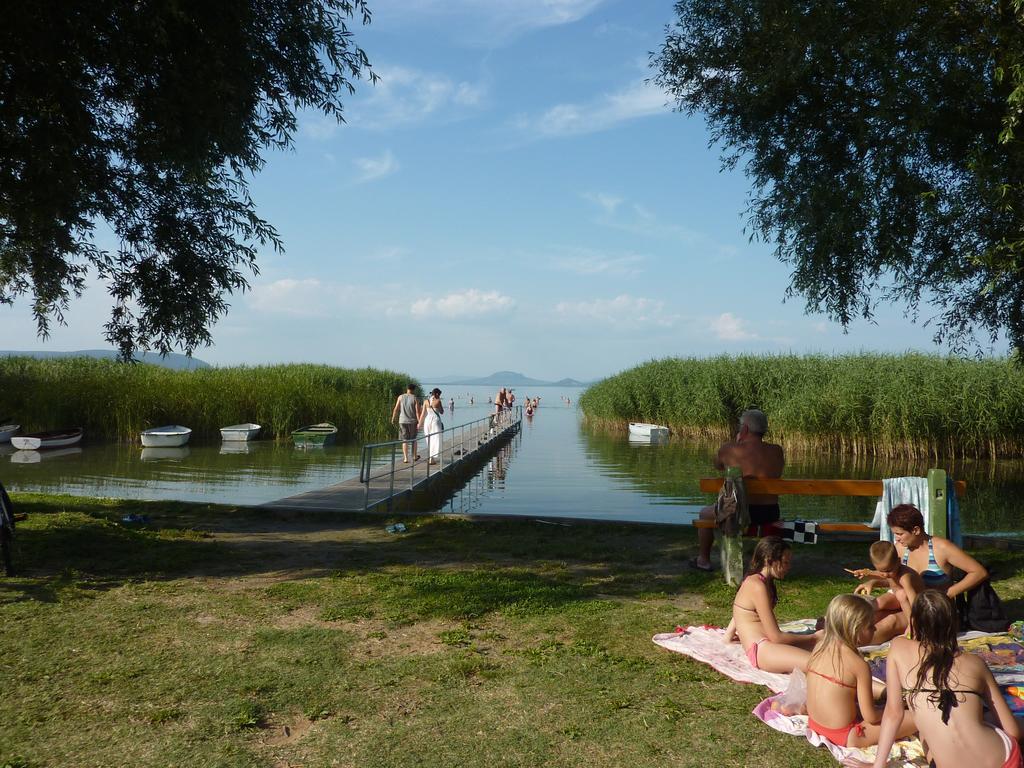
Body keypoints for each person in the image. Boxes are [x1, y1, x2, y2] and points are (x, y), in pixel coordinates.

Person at [843, 591, 1021, 768]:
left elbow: (893, 713)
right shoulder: (976, 663)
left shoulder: (898, 648)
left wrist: (878, 765)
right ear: (953, 624)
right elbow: (1012, 731)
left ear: (913, 623)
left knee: (926, 735)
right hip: (1003, 759)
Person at [806, 594, 917, 748]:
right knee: (918, 716)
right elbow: (871, 717)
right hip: (846, 735)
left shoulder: (819, 647)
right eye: (871, 626)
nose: (875, 628)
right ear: (856, 629)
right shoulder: (858, 665)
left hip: (814, 723)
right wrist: (895, 708)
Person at [693, 409, 785, 571]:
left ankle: (703, 560)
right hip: (770, 513)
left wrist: (737, 442)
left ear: (744, 429)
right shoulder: (777, 451)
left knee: (704, 514)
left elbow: (718, 465)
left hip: (738, 514)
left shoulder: (729, 450)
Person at [728, 537, 818, 673]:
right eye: (785, 562)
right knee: (821, 665)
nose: (789, 567)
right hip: (762, 649)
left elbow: (740, 608)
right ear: (770, 559)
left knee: (828, 649)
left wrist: (728, 636)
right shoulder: (757, 586)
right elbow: (777, 637)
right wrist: (813, 638)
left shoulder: (763, 582)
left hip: (767, 645)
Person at [887, 504, 987, 600]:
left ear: (916, 530)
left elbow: (979, 572)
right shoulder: (900, 549)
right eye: (894, 534)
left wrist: (948, 594)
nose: (897, 539)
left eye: (900, 534)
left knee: (891, 618)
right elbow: (890, 578)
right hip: (910, 606)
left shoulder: (942, 548)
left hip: (938, 611)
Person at [846, 540, 925, 643]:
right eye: (881, 571)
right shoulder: (891, 570)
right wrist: (871, 581)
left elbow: (915, 601)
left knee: (901, 595)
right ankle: (849, 621)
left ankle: (912, 626)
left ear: (898, 561)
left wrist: (914, 623)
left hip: (915, 606)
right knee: (877, 603)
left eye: (888, 571)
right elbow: (889, 581)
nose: (885, 575)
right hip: (899, 600)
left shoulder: (905, 577)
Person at [390, 383, 421, 463]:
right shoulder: (415, 398)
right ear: (413, 389)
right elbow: (417, 412)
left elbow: (396, 409)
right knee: (414, 439)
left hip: (402, 421)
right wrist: (420, 422)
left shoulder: (400, 397)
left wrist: (393, 418)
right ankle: (414, 456)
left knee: (405, 440)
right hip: (413, 421)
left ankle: (406, 458)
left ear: (407, 388)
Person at [418, 387, 445, 465]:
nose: (439, 396)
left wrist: (419, 423)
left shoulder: (426, 401)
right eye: (439, 394)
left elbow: (423, 414)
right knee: (435, 439)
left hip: (427, 421)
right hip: (435, 421)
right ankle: (431, 458)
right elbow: (442, 412)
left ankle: (430, 458)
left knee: (428, 438)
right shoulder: (438, 401)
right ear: (436, 394)